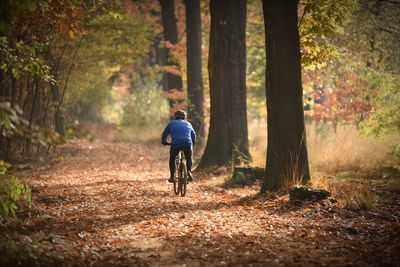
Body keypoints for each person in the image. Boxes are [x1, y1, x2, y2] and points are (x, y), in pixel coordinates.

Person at [161, 110, 196, 183]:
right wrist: (193, 142)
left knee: (172, 158)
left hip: (175, 144)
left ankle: (172, 176)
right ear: (184, 117)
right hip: (187, 143)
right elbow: (193, 133)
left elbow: (165, 133)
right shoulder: (188, 124)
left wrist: (164, 141)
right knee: (189, 157)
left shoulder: (171, 123)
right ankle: (189, 171)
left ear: (175, 117)